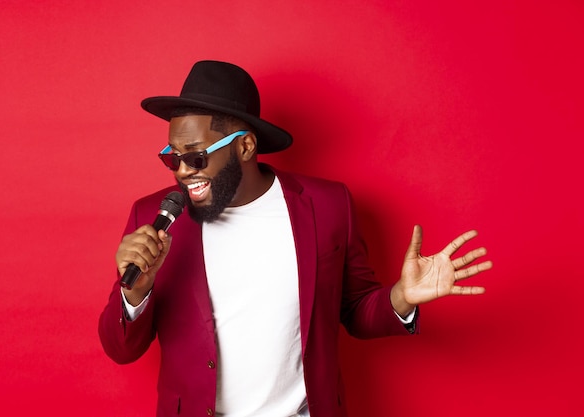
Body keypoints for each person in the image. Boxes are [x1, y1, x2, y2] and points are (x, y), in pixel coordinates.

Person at [98, 60, 492, 417]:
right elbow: (121, 348)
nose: (183, 172)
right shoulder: (154, 218)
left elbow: (355, 309)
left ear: (245, 146)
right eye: (173, 158)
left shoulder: (326, 205)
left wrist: (402, 297)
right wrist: (135, 294)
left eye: (196, 157)